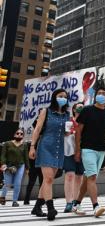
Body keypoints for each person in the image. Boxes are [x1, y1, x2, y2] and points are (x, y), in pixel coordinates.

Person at [72, 86, 105, 217]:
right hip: (87, 148)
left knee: (88, 177)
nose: (101, 95)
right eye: (99, 93)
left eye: (104, 94)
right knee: (92, 177)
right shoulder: (87, 110)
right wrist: (77, 149)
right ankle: (96, 206)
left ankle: (76, 203)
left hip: (101, 150)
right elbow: (78, 130)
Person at [28, 89, 71, 221]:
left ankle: (36, 207)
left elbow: (65, 133)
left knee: (49, 180)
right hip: (46, 147)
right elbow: (37, 129)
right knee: (48, 180)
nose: (62, 98)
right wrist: (32, 147)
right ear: (54, 97)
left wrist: (69, 132)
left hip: (59, 150)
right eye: (60, 96)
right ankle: (50, 208)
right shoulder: (46, 111)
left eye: (65, 97)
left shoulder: (66, 115)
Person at [63, 102, 85, 213]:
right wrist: (72, 130)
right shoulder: (69, 121)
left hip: (82, 152)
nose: (80, 109)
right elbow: (66, 134)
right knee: (70, 175)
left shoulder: (87, 122)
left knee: (79, 177)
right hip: (68, 151)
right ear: (74, 109)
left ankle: (76, 202)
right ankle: (69, 202)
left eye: (82, 107)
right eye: (78, 107)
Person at [1, 129, 28, 207]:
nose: (19, 134)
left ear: (23, 136)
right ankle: (2, 196)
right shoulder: (7, 144)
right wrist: (3, 164)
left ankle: (15, 201)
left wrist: (27, 168)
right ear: (14, 135)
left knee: (17, 183)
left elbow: (26, 157)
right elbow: (3, 155)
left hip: (20, 166)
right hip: (8, 166)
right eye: (17, 133)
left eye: (21, 134)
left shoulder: (25, 145)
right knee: (7, 183)